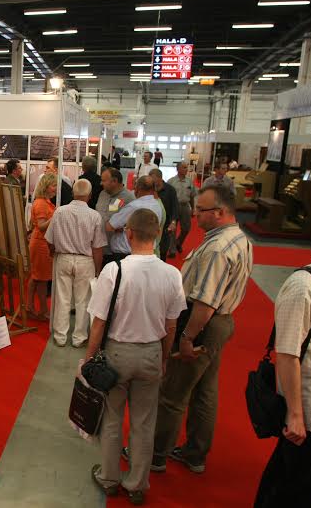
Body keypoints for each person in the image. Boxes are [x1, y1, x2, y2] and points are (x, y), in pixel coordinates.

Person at [88, 208, 188, 506]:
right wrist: (164, 357)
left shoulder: (114, 271)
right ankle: (137, 484)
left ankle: (109, 478)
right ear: (157, 234)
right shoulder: (172, 274)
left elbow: (99, 322)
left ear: (128, 233)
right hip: (151, 352)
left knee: (112, 417)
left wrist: (88, 359)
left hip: (117, 353)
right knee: (144, 422)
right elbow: (172, 325)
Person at [153, 185, 253, 474]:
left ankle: (155, 455)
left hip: (202, 324)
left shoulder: (218, 249)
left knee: (172, 394)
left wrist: (187, 337)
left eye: (201, 210)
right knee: (204, 391)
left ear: (219, 212)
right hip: (220, 322)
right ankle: (195, 453)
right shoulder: (238, 238)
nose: (195, 215)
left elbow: (205, 302)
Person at [254, 223, 311, 508]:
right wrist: (295, 414)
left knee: (303, 480)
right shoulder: (305, 286)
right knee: (296, 487)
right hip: (310, 407)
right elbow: (288, 354)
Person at [45, 179, 106, 347]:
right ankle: (79, 337)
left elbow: (49, 239)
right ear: (90, 195)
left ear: (73, 193)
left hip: (63, 257)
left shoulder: (59, 212)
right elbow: (98, 247)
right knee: (83, 301)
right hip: (86, 260)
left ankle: (60, 336)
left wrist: (53, 252)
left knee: (62, 298)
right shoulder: (95, 216)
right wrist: (97, 270)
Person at [105, 176, 163, 263]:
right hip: (147, 252)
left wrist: (122, 227)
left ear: (138, 188)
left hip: (126, 254)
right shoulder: (157, 205)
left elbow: (110, 226)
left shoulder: (133, 205)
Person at [27, 173, 58, 320]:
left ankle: (31, 307)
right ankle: (43, 310)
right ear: (46, 186)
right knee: (41, 278)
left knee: (37, 277)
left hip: (42, 242)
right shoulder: (41, 203)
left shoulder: (44, 202)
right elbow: (41, 226)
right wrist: (55, 216)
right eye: (53, 185)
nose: (56, 188)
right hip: (40, 244)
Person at [96, 168, 135, 265]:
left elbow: (133, 223)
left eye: (104, 180)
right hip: (99, 248)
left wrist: (124, 227)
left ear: (114, 181)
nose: (101, 183)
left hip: (116, 251)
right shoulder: (102, 194)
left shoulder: (129, 198)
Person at [167, 162, 197, 255]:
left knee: (186, 228)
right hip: (174, 206)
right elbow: (167, 196)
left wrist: (193, 208)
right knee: (172, 229)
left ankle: (178, 243)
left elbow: (192, 196)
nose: (186, 169)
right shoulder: (171, 181)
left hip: (185, 206)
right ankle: (172, 250)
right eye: (184, 167)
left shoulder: (189, 181)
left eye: (186, 167)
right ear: (178, 169)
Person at [149, 168, 179, 261]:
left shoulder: (170, 190)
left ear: (160, 178)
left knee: (163, 250)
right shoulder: (150, 189)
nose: (152, 182)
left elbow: (175, 207)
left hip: (165, 226)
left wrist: (173, 222)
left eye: (153, 179)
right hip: (151, 225)